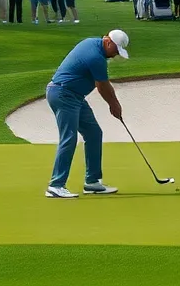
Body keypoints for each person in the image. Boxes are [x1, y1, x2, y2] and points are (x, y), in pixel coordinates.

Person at [43, 30, 130, 198]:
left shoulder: (93, 44)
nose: (115, 55)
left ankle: (92, 182)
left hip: (74, 96)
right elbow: (102, 85)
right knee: (69, 137)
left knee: (94, 133)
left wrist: (114, 104)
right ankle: (56, 185)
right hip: (63, 94)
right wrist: (114, 105)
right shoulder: (96, 57)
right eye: (116, 50)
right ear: (108, 42)